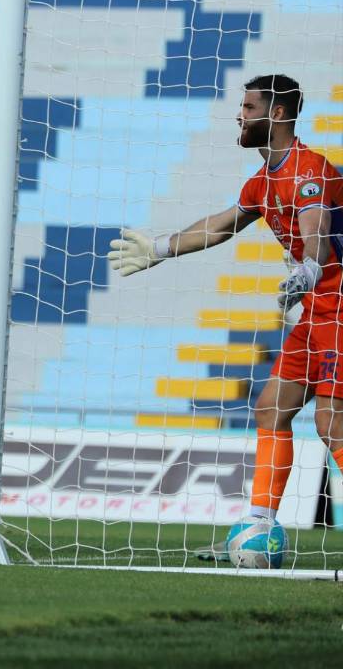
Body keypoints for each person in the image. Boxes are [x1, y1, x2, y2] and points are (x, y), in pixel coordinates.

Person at [107, 75, 343, 560]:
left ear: (275, 114)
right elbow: (220, 226)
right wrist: (159, 248)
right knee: (272, 408)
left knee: (331, 424)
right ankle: (258, 525)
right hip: (315, 311)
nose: (240, 115)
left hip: (339, 307)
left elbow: (315, 228)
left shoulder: (308, 170)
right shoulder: (262, 182)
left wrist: (311, 266)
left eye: (248, 106)